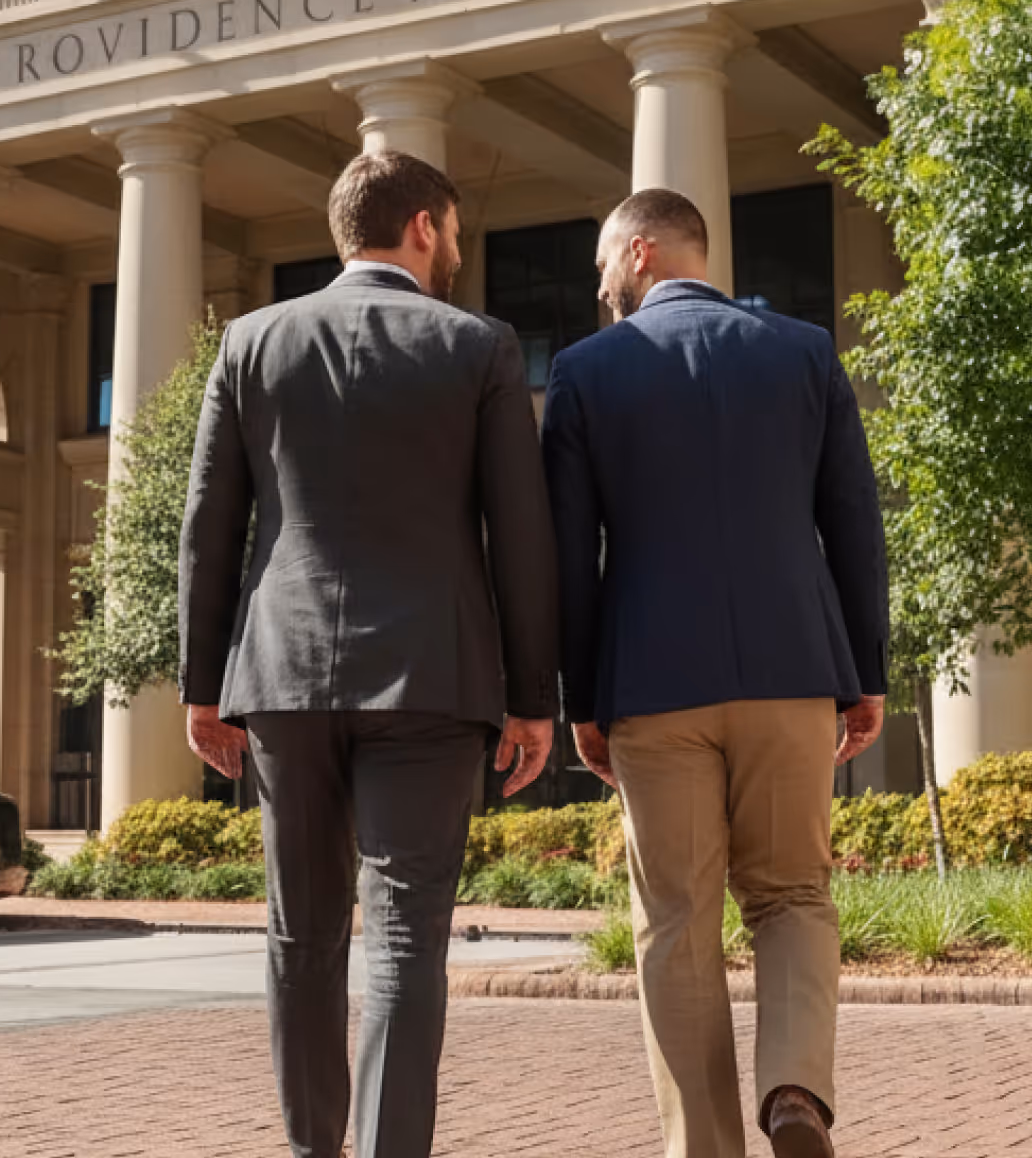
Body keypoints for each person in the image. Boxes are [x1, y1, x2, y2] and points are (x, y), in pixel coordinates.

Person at [177, 150, 560, 1158]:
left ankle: (314, 1149)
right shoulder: (477, 346)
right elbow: (519, 537)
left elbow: (207, 529)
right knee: (402, 937)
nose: (455, 255)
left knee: (300, 934)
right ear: (423, 228)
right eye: (455, 236)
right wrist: (531, 696)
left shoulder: (251, 342)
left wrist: (201, 686)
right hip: (431, 678)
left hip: (282, 678)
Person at [542, 189, 888, 1158]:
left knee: (676, 922)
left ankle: (702, 1147)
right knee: (791, 895)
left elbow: (569, 559)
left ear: (642, 251)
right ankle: (792, 1090)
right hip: (788, 672)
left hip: (651, 685)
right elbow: (852, 527)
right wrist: (861, 671)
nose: (598, 281)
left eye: (604, 261)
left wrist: (579, 696)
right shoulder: (803, 352)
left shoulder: (581, 372)